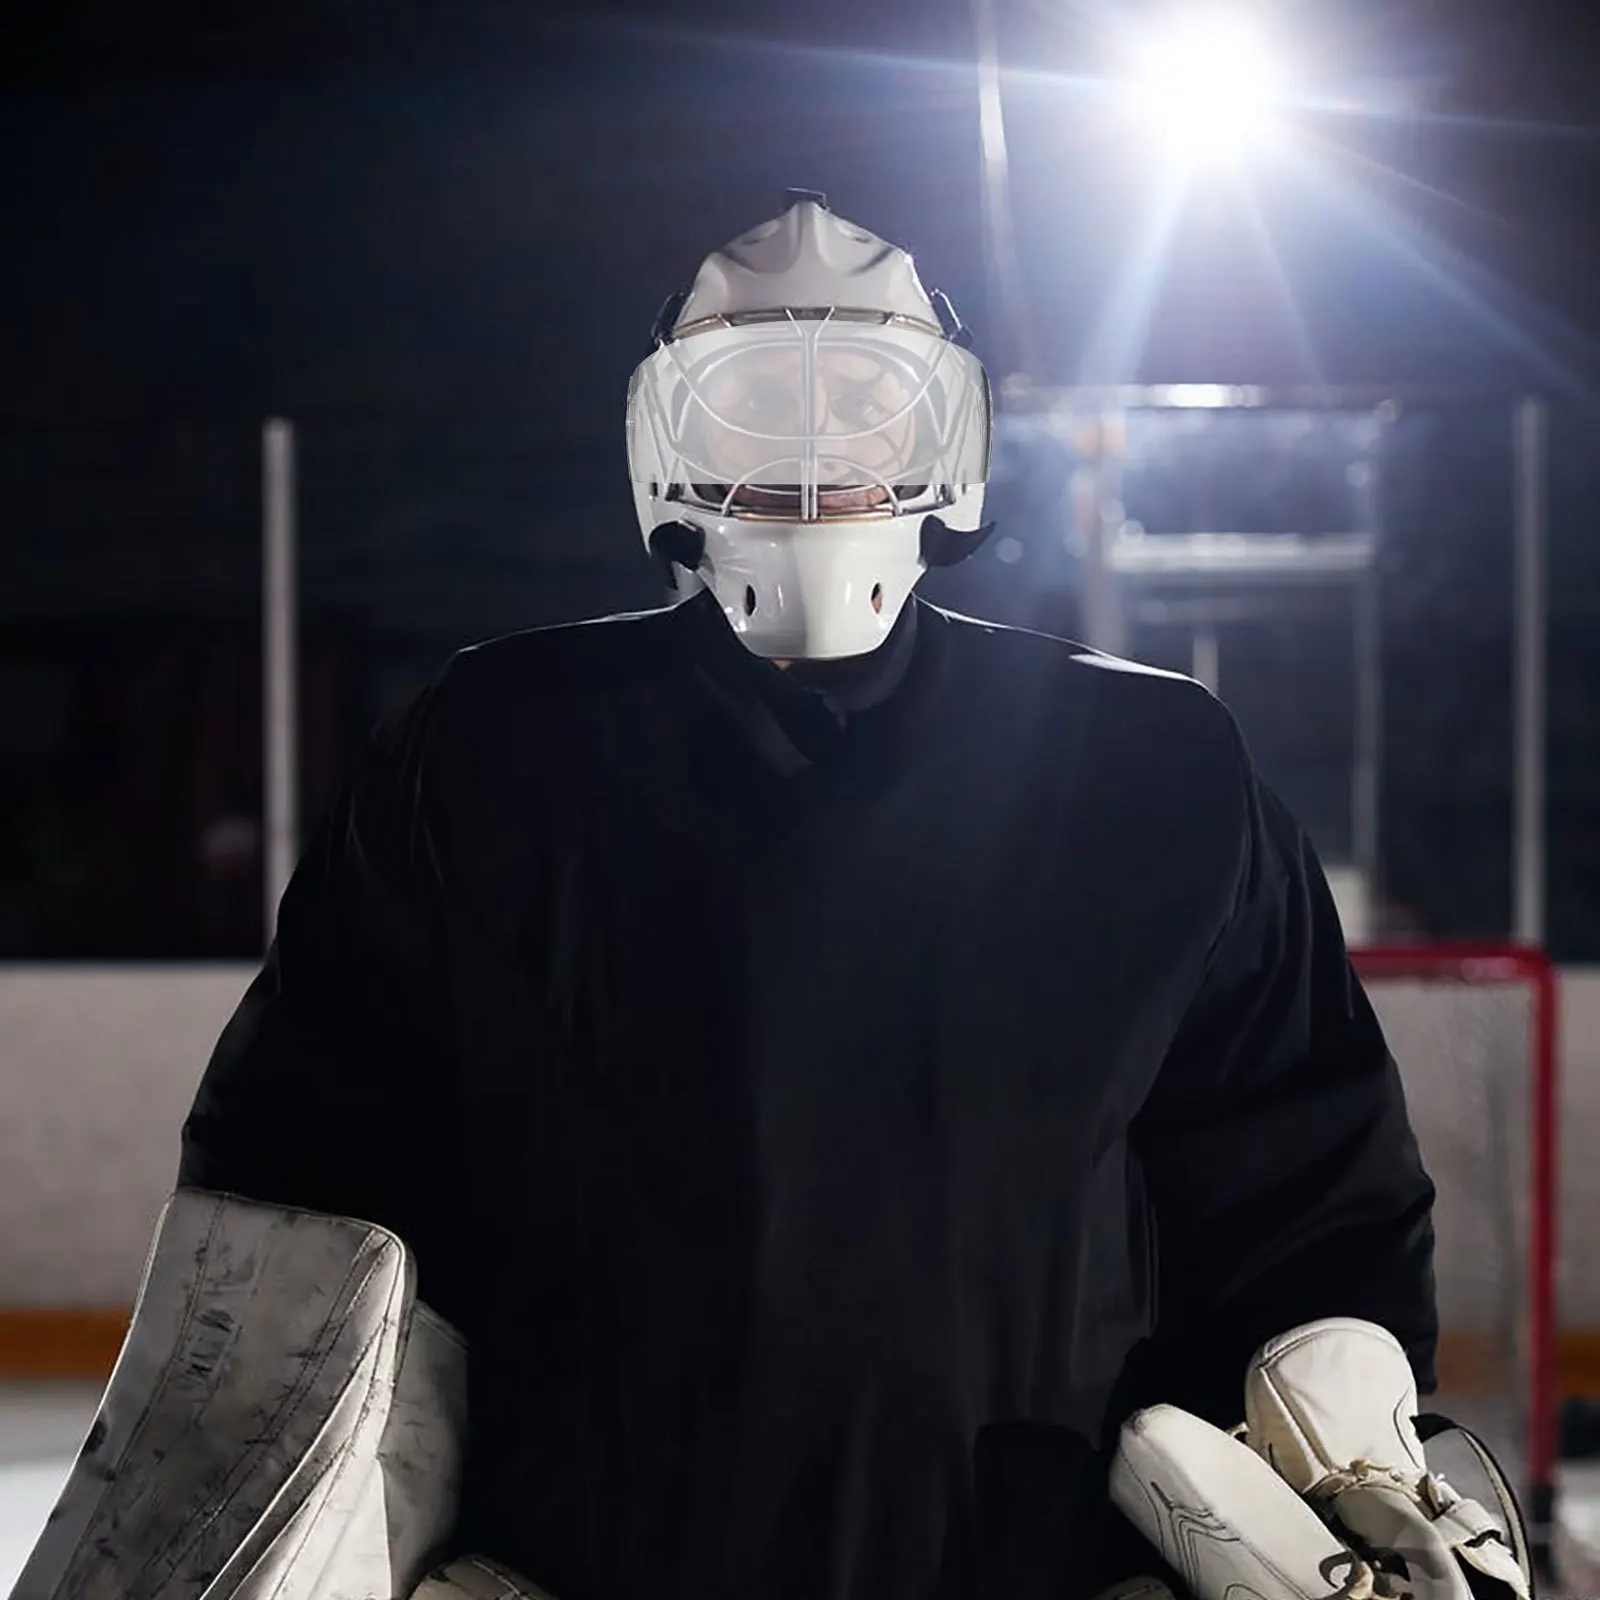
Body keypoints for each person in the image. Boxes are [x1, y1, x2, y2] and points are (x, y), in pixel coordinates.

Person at [177, 192, 1436, 1598]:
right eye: (761, 404)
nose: (815, 448)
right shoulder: (486, 756)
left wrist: (1341, 1467)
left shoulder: (1156, 770)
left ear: (945, 438)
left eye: (861, 401)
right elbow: (299, 1180)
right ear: (669, 442)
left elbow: (1305, 1197)